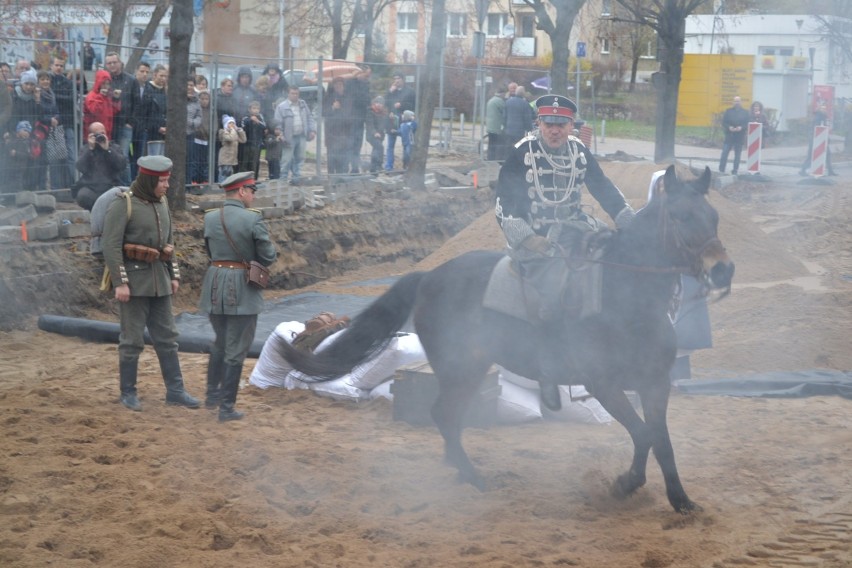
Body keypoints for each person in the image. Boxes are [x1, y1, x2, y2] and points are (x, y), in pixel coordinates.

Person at [495, 95, 635, 411]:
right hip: (536, 239)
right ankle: (547, 369)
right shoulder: (521, 154)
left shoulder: (580, 152)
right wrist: (529, 239)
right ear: (538, 124)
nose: (554, 131)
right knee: (553, 291)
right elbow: (504, 206)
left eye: (561, 124)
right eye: (549, 124)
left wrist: (629, 221)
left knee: (612, 266)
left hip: (576, 228)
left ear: (571, 125)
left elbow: (605, 189)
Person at [100, 155, 200, 412]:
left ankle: (176, 391)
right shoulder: (124, 205)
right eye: (162, 181)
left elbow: (169, 242)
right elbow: (110, 246)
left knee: (167, 338)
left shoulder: (162, 202)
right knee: (132, 340)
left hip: (160, 282)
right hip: (134, 284)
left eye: (167, 180)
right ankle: (128, 392)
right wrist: (120, 282)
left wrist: (174, 274)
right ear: (149, 180)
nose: (167, 185)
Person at [199, 171, 277, 421]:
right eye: (252, 191)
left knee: (220, 343)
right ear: (241, 191)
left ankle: (212, 396)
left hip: (214, 284)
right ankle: (227, 408)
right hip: (241, 287)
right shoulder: (252, 219)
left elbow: (209, 251)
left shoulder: (210, 217)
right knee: (236, 349)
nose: (253, 196)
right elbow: (267, 257)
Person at [646, 170, 712, 383]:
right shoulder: (641, 219)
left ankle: (679, 377)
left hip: (678, 283)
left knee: (681, 330)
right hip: (651, 286)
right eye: (661, 188)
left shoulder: (688, 218)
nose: (664, 192)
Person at [73, 122, 127, 210]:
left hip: (111, 187)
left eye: (102, 133)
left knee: (119, 198)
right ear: (91, 136)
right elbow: (80, 167)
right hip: (91, 188)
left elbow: (122, 166)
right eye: (97, 135)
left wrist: (108, 150)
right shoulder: (86, 149)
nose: (100, 137)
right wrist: (90, 149)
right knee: (82, 196)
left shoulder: (114, 147)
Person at [104, 52, 136, 184]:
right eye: (109, 63)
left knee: (123, 156)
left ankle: (126, 186)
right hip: (108, 125)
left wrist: (131, 122)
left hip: (124, 125)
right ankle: (112, 185)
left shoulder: (131, 80)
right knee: (109, 156)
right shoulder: (105, 81)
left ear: (120, 63)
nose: (112, 65)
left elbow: (137, 103)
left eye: (114, 62)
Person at [273, 86, 316, 184]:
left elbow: (310, 117)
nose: (295, 95)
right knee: (286, 160)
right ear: (288, 94)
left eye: (296, 93)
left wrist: (312, 130)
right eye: (292, 93)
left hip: (301, 136)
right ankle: (283, 181)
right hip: (288, 138)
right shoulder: (282, 107)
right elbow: (278, 123)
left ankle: (296, 179)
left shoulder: (303, 104)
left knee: (300, 158)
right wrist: (280, 134)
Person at [49, 57, 77, 188]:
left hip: (68, 123)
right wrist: (60, 96)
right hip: (53, 124)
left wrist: (55, 95)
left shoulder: (68, 82)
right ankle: (56, 187)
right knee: (56, 157)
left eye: (61, 65)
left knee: (71, 155)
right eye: (56, 65)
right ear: (51, 66)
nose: (59, 67)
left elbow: (72, 99)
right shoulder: (47, 81)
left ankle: (73, 184)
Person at [384, 73, 415, 171]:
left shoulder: (410, 91)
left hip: (405, 122)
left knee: (406, 145)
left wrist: (401, 105)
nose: (396, 81)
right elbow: (385, 103)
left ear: (403, 79)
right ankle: (389, 167)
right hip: (392, 121)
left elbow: (413, 105)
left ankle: (405, 166)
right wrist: (389, 92)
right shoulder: (392, 91)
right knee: (390, 146)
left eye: (398, 78)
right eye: (395, 78)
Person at [83, 70, 121, 143]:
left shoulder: (107, 96)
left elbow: (114, 111)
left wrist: (116, 99)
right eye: (103, 83)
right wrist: (100, 96)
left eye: (108, 84)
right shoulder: (92, 96)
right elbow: (95, 110)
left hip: (106, 133)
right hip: (94, 134)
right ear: (98, 83)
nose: (106, 86)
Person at [323, 77, 351, 175]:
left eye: (340, 84)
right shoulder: (328, 97)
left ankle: (341, 178)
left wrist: (341, 109)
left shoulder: (348, 97)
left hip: (344, 134)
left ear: (343, 86)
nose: (338, 87)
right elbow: (324, 112)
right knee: (331, 158)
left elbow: (350, 114)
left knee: (343, 159)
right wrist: (333, 108)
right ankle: (331, 178)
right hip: (331, 134)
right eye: (336, 85)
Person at [800, 102, 836, 176]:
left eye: (825, 107)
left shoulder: (821, 116)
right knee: (811, 156)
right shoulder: (819, 116)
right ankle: (803, 170)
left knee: (827, 155)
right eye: (823, 108)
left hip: (821, 139)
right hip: (816, 139)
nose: (825, 109)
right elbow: (818, 128)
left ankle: (830, 171)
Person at [129, 61, 150, 178]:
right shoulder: (131, 85)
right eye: (142, 71)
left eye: (147, 72)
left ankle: (136, 179)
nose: (145, 74)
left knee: (139, 156)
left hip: (142, 128)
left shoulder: (148, 88)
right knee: (128, 155)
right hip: (130, 126)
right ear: (136, 71)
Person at [718, 95, 749, 175]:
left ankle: (735, 170)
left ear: (741, 102)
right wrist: (729, 127)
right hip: (729, 135)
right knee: (724, 153)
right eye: (735, 101)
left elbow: (747, 123)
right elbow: (724, 122)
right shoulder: (728, 111)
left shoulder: (745, 112)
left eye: (738, 101)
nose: (737, 103)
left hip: (739, 136)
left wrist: (741, 127)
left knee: (737, 155)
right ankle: (721, 169)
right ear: (733, 102)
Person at [141, 64, 168, 154]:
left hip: (163, 133)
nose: (163, 79)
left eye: (165, 76)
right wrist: (157, 127)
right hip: (150, 133)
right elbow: (146, 113)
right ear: (154, 75)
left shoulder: (164, 91)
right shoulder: (147, 89)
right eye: (161, 76)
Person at [239, 100, 266, 178]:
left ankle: (254, 179)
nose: (256, 110)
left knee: (255, 163)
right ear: (249, 109)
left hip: (257, 144)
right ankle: (244, 179)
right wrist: (251, 119)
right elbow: (242, 126)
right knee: (245, 162)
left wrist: (257, 121)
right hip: (246, 144)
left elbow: (264, 126)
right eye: (254, 108)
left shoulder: (260, 117)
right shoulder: (245, 117)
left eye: (257, 109)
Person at [217, 114, 245, 182]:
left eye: (233, 123)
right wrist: (232, 130)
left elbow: (243, 140)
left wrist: (239, 130)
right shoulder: (223, 132)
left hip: (232, 158)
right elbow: (230, 138)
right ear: (226, 124)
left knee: (230, 173)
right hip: (225, 158)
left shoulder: (234, 132)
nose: (232, 125)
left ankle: (228, 185)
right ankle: (222, 184)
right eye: (230, 123)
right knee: (224, 172)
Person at [185, 79, 202, 184]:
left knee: (189, 160)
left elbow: (199, 116)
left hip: (190, 133)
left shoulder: (196, 100)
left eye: (191, 85)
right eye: (187, 84)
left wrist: (193, 122)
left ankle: (187, 183)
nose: (189, 87)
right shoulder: (177, 97)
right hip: (177, 134)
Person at [366, 95, 386, 175]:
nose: (378, 104)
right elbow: (370, 125)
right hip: (371, 135)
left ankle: (373, 170)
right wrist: (374, 132)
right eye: (377, 102)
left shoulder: (383, 113)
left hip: (380, 136)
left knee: (375, 150)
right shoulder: (370, 112)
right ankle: (378, 165)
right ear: (374, 103)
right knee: (379, 147)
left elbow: (385, 124)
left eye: (381, 103)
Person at [485, 86, 507, 161]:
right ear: (502, 94)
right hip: (496, 127)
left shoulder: (491, 100)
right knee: (498, 144)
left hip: (490, 126)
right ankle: (496, 159)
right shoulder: (499, 101)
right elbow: (505, 110)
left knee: (491, 144)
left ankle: (490, 158)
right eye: (504, 94)